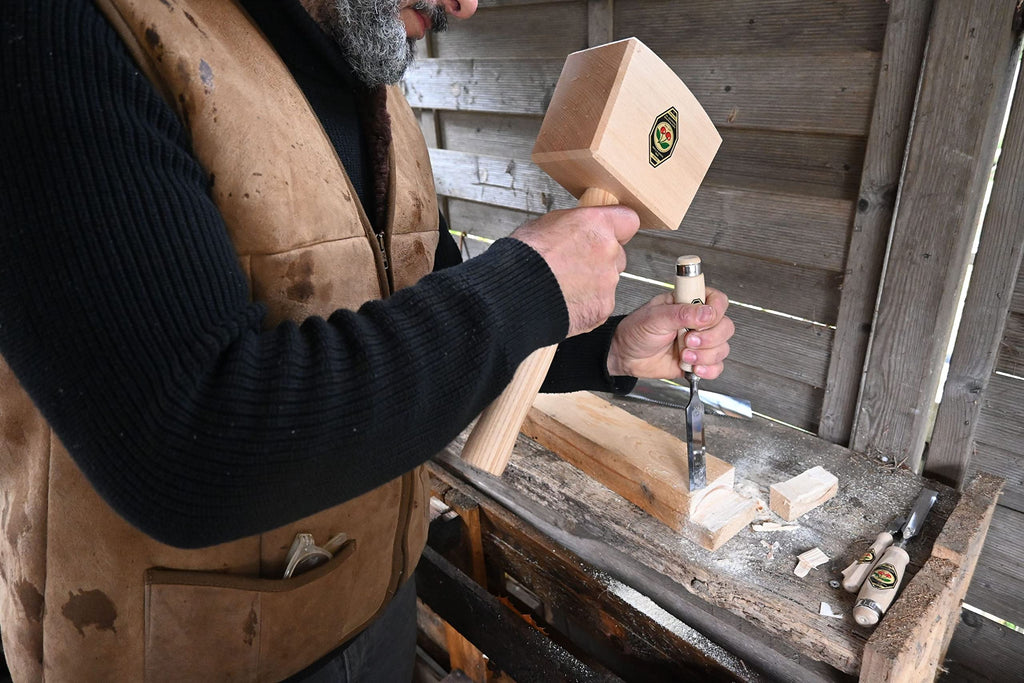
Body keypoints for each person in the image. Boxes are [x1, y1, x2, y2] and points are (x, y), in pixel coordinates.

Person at [0, 0, 734, 680]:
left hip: (378, 603)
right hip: (188, 655)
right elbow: (187, 441)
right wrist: (530, 287)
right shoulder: (67, 29)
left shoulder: (377, 97)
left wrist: (605, 348)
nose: (467, 3)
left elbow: (419, 314)